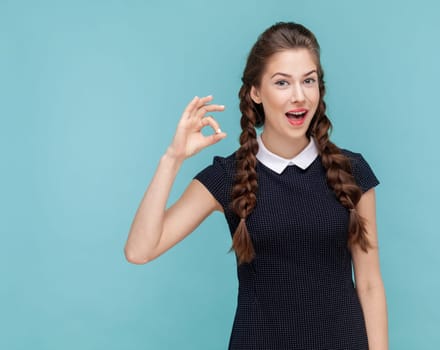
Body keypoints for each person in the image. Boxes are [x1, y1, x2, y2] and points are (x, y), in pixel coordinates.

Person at [125, 22, 388, 350]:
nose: (299, 96)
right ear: (255, 92)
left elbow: (369, 284)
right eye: (282, 83)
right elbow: (139, 250)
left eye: (308, 81)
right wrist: (172, 159)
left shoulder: (352, 171)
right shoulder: (228, 175)